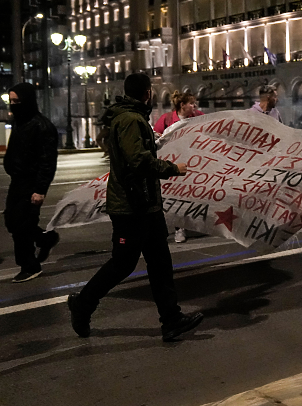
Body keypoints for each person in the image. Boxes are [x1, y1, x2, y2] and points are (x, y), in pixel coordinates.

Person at [67, 73, 203, 341]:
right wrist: (173, 168)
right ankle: (83, 303)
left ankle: (171, 320)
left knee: (160, 263)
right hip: (131, 207)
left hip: (146, 204)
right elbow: (137, 161)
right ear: (147, 92)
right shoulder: (130, 119)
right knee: (123, 264)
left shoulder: (134, 116)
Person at [3, 83, 60, 283]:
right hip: (17, 180)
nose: (13, 105)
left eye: (17, 101)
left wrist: (40, 189)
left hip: (31, 182)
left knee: (22, 225)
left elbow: (48, 161)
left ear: (27, 101)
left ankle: (30, 266)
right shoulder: (20, 122)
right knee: (12, 221)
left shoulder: (42, 126)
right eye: (11, 101)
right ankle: (46, 238)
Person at [154, 90, 198, 243]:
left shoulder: (198, 116)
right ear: (182, 105)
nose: (194, 106)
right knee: (178, 196)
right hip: (174, 163)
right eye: (191, 103)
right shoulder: (166, 119)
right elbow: (155, 136)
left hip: (193, 162)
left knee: (192, 194)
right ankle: (179, 228)